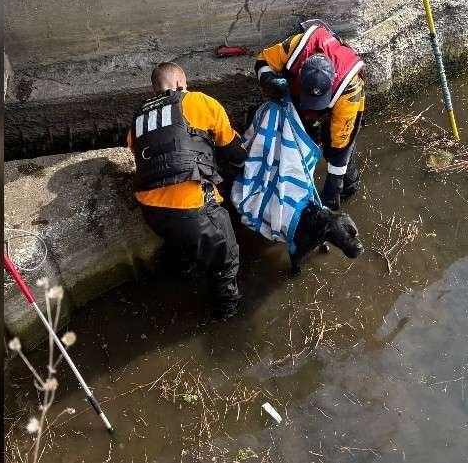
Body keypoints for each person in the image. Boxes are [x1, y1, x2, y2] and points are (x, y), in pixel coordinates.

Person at [127, 62, 247, 320]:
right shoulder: (198, 101)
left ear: (154, 91)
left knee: (183, 245)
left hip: (152, 212)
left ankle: (185, 271)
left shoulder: (139, 118)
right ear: (181, 84)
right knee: (225, 259)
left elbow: (138, 150)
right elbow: (232, 148)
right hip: (193, 211)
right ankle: (227, 314)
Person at [254, 19, 364, 210]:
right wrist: (267, 79)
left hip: (343, 105)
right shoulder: (297, 47)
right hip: (299, 95)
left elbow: (341, 148)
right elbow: (263, 60)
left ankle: (350, 185)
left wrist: (333, 186)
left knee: (333, 149)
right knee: (303, 136)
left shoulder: (349, 91)